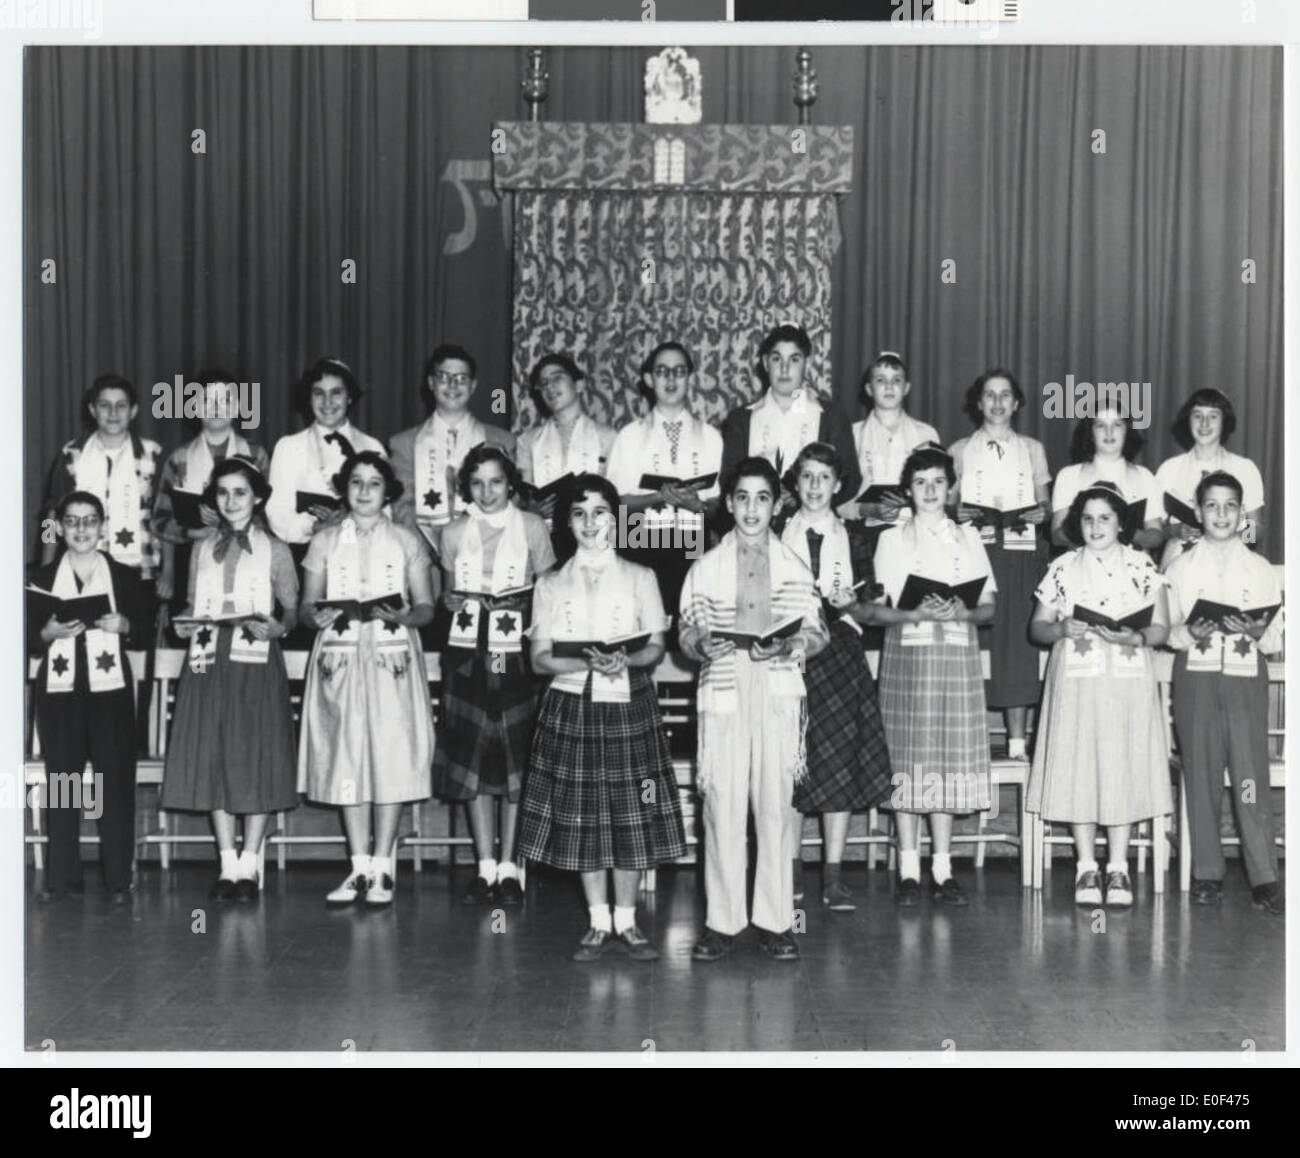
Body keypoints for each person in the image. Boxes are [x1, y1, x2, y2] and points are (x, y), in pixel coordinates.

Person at [519, 474, 686, 961]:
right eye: (579, 513)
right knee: (583, 815)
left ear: (616, 518)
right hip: (570, 704)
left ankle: (629, 923)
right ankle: (597, 922)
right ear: (566, 521)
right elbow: (539, 658)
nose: (590, 523)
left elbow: (655, 647)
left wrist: (627, 661)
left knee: (630, 813)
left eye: (599, 513)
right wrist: (586, 663)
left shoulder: (640, 576)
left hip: (627, 703)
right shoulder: (549, 583)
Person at [679, 456, 828, 962]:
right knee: (721, 804)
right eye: (741, 497)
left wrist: (789, 647)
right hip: (724, 685)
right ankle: (721, 923)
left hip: (776, 685)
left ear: (777, 504)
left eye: (762, 497)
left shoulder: (793, 565)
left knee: (774, 805)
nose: (751, 508)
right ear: (728, 504)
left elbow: (817, 630)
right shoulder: (705, 567)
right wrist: (701, 644)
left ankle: (776, 921)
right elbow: (687, 631)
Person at [297, 452, 437, 908]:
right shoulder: (324, 541)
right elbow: (305, 606)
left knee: (391, 755)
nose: (363, 491)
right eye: (355, 482)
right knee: (346, 756)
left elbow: (426, 606)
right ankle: (358, 867)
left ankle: (383, 867)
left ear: (387, 491)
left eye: (373, 483)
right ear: (345, 487)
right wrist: (315, 615)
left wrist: (406, 615)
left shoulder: (405, 539)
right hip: (339, 655)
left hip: (391, 656)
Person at [1027, 481, 1171, 908]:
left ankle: (1119, 866)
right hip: (1077, 680)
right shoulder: (1064, 567)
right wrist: (1059, 628)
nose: (1095, 526)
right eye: (1087, 518)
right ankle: (1087, 864)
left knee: (1120, 763)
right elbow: (1037, 627)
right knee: (1081, 765)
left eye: (1105, 517)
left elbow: (1160, 627)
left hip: (1126, 679)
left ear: (1121, 522)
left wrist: (1137, 636)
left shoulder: (1142, 565)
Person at [161, 457, 300, 901]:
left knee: (254, 751)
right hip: (206, 660)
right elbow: (188, 604)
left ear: (257, 496)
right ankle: (227, 863)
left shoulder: (275, 549)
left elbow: (292, 610)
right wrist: (181, 623)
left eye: (240, 492)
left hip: (255, 657)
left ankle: (251, 862)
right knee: (214, 751)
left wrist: (280, 627)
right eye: (222, 493)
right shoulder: (200, 548)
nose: (231, 501)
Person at [872, 444, 997, 908]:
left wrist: (966, 609)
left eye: (938, 482)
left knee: (945, 761)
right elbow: (880, 609)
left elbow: (989, 608)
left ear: (951, 488)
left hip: (956, 656)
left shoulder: (969, 539)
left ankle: (943, 868)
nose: (929, 490)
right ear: (908, 489)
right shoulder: (891, 539)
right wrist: (914, 609)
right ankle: (908, 867)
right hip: (908, 656)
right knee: (910, 759)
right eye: (920, 482)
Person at [432, 445, 555, 905]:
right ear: (468, 486)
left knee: (514, 758)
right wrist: (450, 602)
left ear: (511, 484)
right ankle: (484, 865)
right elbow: (446, 594)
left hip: (516, 653)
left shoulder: (532, 527)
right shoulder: (452, 532)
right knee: (473, 757)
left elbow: (550, 590)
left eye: (496, 482)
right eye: (478, 483)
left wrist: (522, 603)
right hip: (467, 656)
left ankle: (512, 865)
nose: (487, 492)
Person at [1163, 471, 1284, 916]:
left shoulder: (1260, 568)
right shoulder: (1178, 568)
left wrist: (1257, 630)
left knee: (1250, 778)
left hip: (1243, 677)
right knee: (1203, 775)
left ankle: (1264, 876)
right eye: (1211, 505)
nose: (1221, 514)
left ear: (1242, 513)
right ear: (1197, 512)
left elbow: (1273, 640)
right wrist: (1186, 632)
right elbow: (1167, 632)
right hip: (1195, 677)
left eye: (1230, 505)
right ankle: (1207, 873)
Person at [779, 443, 893, 912]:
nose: (814, 487)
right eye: (806, 477)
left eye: (823, 478)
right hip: (788, 651)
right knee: (788, 760)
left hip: (841, 651)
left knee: (838, 757)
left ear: (838, 485)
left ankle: (833, 874)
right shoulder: (773, 531)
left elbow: (871, 610)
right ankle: (788, 871)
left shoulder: (857, 537)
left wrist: (851, 605)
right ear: (796, 482)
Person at [29, 491, 149, 904]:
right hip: (60, 696)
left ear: (103, 526)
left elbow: (148, 631)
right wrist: (45, 635)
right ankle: (63, 877)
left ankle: (118, 879)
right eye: (73, 520)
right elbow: (23, 638)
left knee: (113, 783)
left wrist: (127, 624)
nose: (81, 529)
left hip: (111, 694)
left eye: (90, 520)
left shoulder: (126, 577)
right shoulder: (38, 580)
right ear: (59, 528)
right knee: (63, 782)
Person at [949, 368, 1051, 762]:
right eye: (989, 395)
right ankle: (969, 738)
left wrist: (1040, 514)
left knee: (1016, 642)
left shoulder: (1033, 448)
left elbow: (1045, 502)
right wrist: (958, 512)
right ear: (978, 403)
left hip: (1021, 552)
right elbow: (945, 502)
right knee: (976, 639)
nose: (996, 403)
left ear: (1017, 402)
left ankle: (1016, 744)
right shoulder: (959, 449)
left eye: (1004, 395)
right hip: (975, 550)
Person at [606, 340, 723, 617]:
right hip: (639, 540)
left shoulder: (710, 436)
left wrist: (699, 506)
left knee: (686, 623)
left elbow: (717, 503)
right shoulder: (629, 436)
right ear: (649, 379)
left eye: (679, 371)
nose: (671, 379)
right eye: (662, 371)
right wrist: (659, 496)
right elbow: (615, 503)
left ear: (689, 378)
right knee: (643, 624)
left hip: (690, 540)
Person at [152, 371, 270, 622]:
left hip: (247, 558)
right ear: (194, 407)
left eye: (225, 401)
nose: (216, 409)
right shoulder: (179, 458)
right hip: (193, 557)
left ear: (238, 406)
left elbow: (270, 518)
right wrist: (171, 568)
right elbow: (161, 520)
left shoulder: (256, 455)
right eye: (208, 401)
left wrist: (230, 522)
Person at [719, 324, 860, 515]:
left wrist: (807, 497)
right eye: (777, 359)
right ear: (766, 363)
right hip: (756, 522)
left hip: (813, 522)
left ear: (807, 363)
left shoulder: (831, 416)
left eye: (794, 359)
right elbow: (729, 479)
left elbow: (850, 478)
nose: (784, 368)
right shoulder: (741, 419)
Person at [390, 344, 516, 548]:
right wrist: (434, 549)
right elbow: (402, 508)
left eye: (461, 378)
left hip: (486, 552)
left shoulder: (503, 441)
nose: (452, 385)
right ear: (431, 383)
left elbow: (511, 503)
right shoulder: (403, 444)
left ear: (473, 385)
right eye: (444, 377)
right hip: (424, 555)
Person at [41, 374, 162, 585]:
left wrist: (167, 571)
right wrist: (46, 566)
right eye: (104, 405)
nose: (113, 413)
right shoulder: (71, 455)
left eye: (121, 405)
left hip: (140, 570)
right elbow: (51, 517)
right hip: (82, 568)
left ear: (133, 411)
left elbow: (163, 519)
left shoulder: (153, 454)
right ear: (92, 410)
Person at [265, 357, 386, 554]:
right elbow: (277, 513)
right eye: (318, 393)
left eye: (336, 393)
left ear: (350, 397)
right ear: (309, 398)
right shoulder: (288, 447)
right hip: (307, 556)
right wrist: (315, 527)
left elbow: (386, 512)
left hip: (363, 555)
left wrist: (350, 521)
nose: (327, 402)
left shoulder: (373, 446)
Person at [1154, 389, 1265, 568]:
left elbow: (1256, 529)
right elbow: (1156, 531)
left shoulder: (1245, 468)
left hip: (1231, 562)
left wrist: (1233, 540)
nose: (1204, 423)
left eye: (1213, 416)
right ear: (1188, 420)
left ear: (1224, 422)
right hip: (1179, 561)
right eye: (1197, 416)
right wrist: (1176, 531)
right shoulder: (1169, 469)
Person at [839, 350, 939, 527]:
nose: (889, 386)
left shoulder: (926, 434)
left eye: (896, 380)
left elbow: (938, 492)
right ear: (869, 389)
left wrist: (910, 500)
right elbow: (837, 498)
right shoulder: (852, 435)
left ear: (907, 387)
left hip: (914, 529)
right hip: (863, 535)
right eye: (880, 380)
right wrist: (866, 509)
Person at [515, 353, 615, 529]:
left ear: (579, 384)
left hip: (594, 532)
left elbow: (617, 495)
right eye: (544, 383)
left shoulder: (608, 436)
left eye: (557, 378)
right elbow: (521, 497)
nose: (550, 387)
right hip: (545, 535)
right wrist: (532, 509)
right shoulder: (527, 440)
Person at [1050, 407, 1163, 552]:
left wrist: (1129, 532)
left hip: (1131, 565)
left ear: (1127, 430)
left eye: (1117, 424)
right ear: (1090, 432)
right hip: (1082, 565)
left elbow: (1156, 536)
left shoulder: (1144, 476)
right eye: (1100, 425)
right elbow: (1056, 536)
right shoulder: (1068, 475)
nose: (1109, 432)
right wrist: (1091, 528)